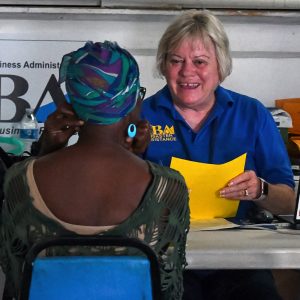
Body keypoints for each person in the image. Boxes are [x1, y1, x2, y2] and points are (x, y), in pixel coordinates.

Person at [27, 10, 295, 300]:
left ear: (221, 66)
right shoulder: (138, 114)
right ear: (163, 66)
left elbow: (289, 201)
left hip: (238, 265)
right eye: (175, 61)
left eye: (200, 62)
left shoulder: (252, 114)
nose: (187, 71)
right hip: (159, 259)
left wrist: (260, 190)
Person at [0, 40, 190, 300]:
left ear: (72, 103)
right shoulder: (169, 187)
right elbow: (168, 288)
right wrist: (133, 158)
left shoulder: (20, 179)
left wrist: (47, 153)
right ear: (131, 101)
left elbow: (16, 279)